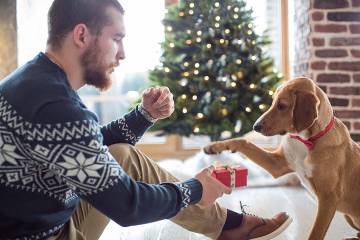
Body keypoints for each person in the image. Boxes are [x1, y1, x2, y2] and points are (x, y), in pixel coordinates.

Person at [0, 0, 292, 239]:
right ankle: (230, 227)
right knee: (129, 177)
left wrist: (144, 115)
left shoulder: (31, 81)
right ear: (81, 35)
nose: (123, 53)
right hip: (44, 235)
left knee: (122, 154)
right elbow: (128, 205)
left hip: (39, 222)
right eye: (117, 39)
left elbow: (82, 147)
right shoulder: (58, 106)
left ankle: (227, 226)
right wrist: (196, 189)